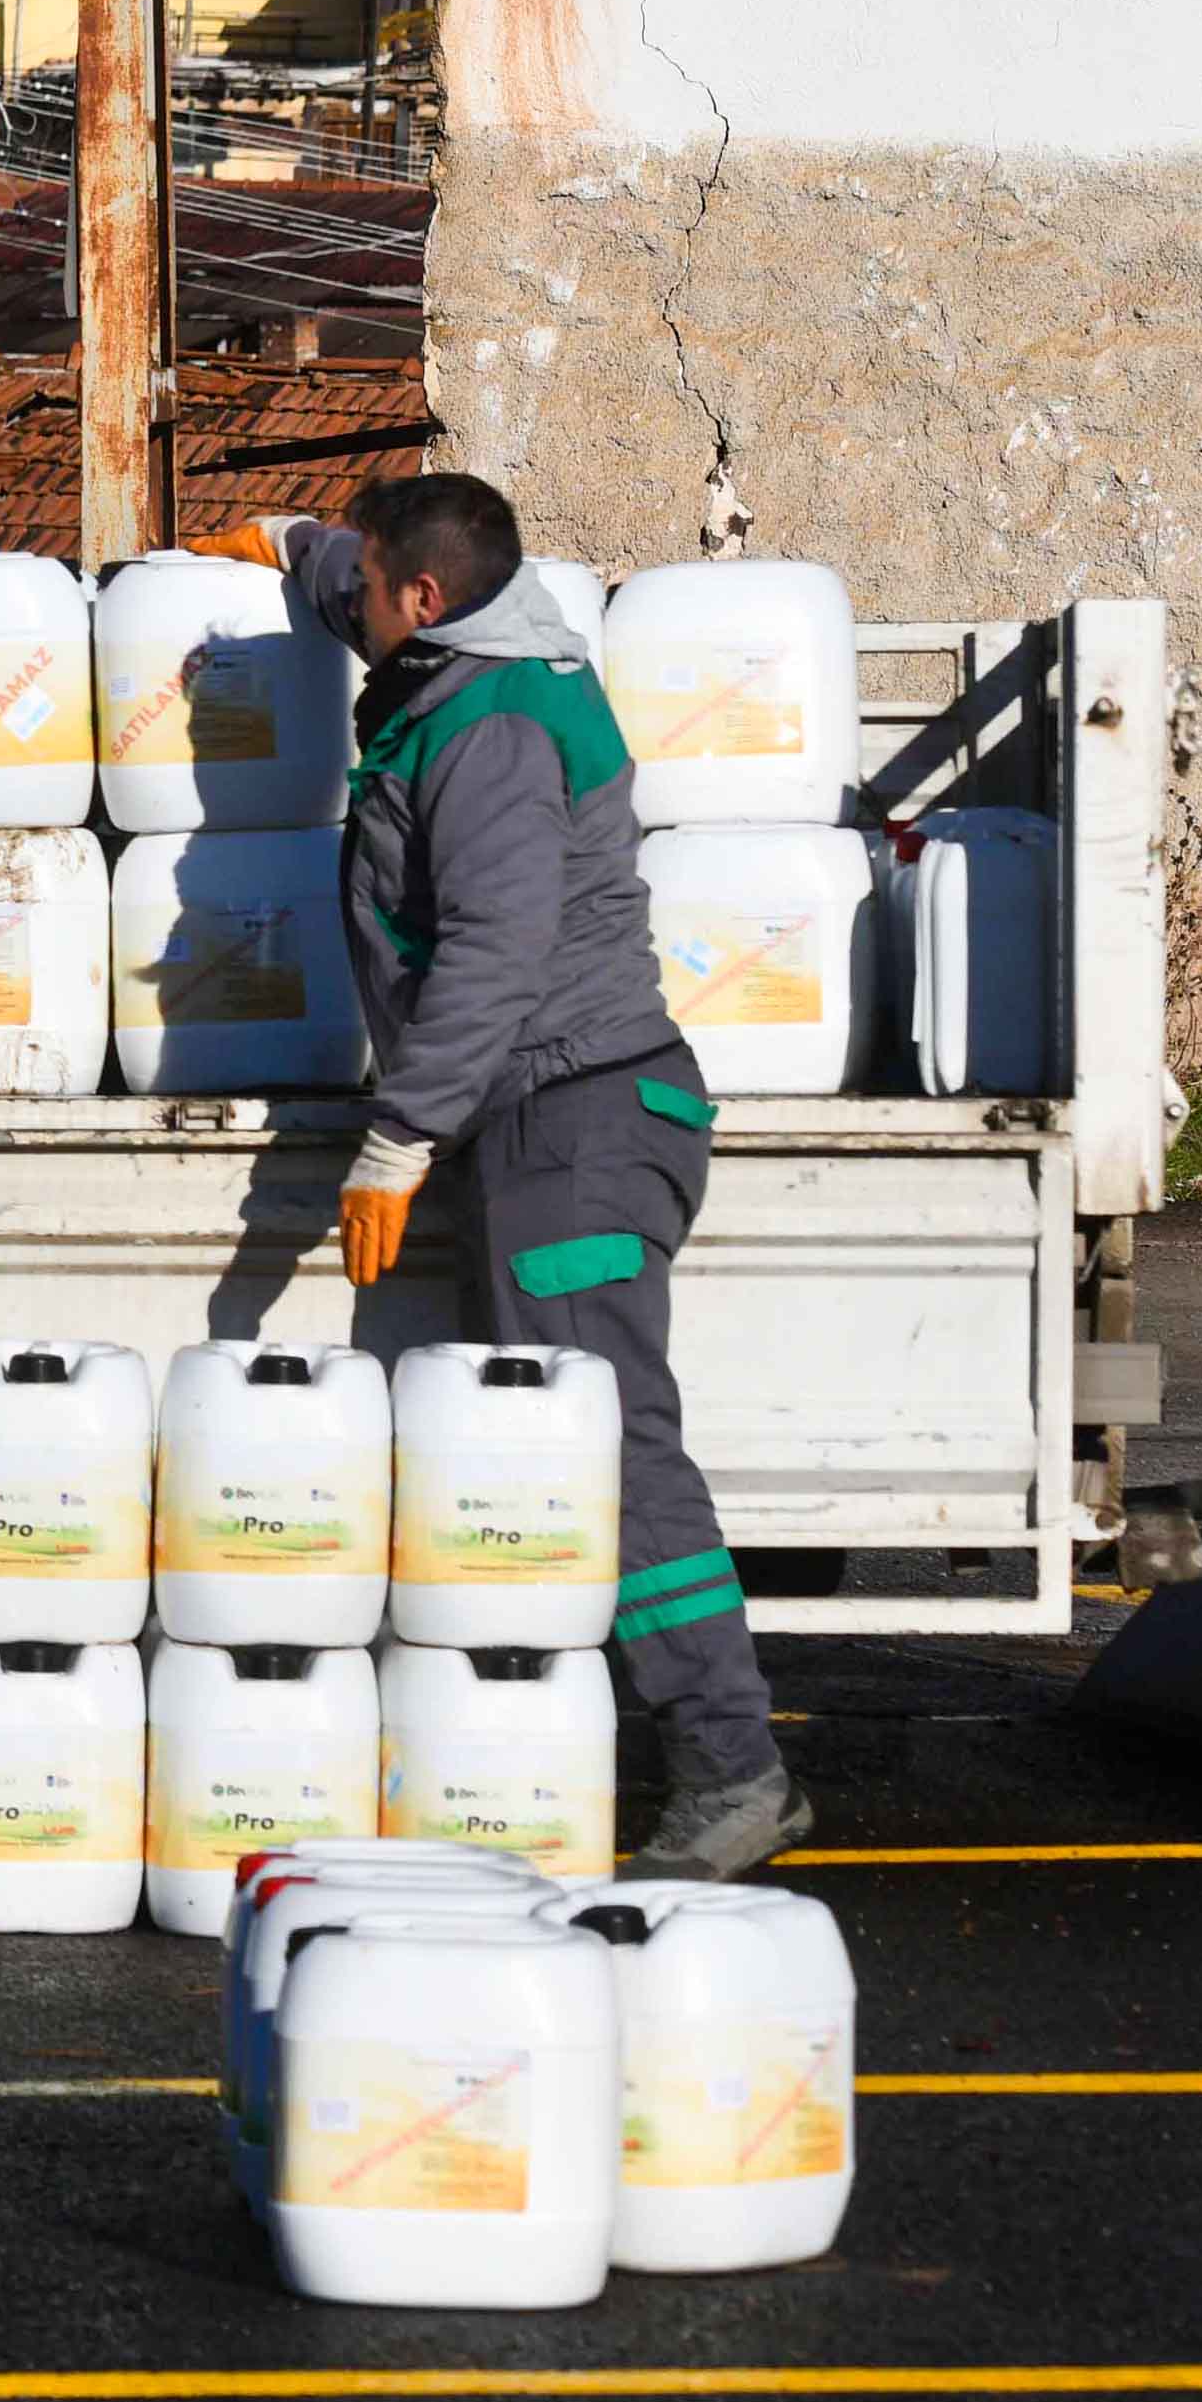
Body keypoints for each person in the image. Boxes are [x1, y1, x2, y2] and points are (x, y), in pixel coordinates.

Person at [200, 474, 804, 1881]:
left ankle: (733, 1770)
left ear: (420, 595)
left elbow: (492, 949)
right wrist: (280, 548)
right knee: (557, 1447)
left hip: (574, 1118)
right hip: (544, 1115)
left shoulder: (492, 729)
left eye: (360, 581)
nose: (345, 601)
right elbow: (352, 577)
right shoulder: (465, 649)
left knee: (610, 1448)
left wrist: (396, 1137)